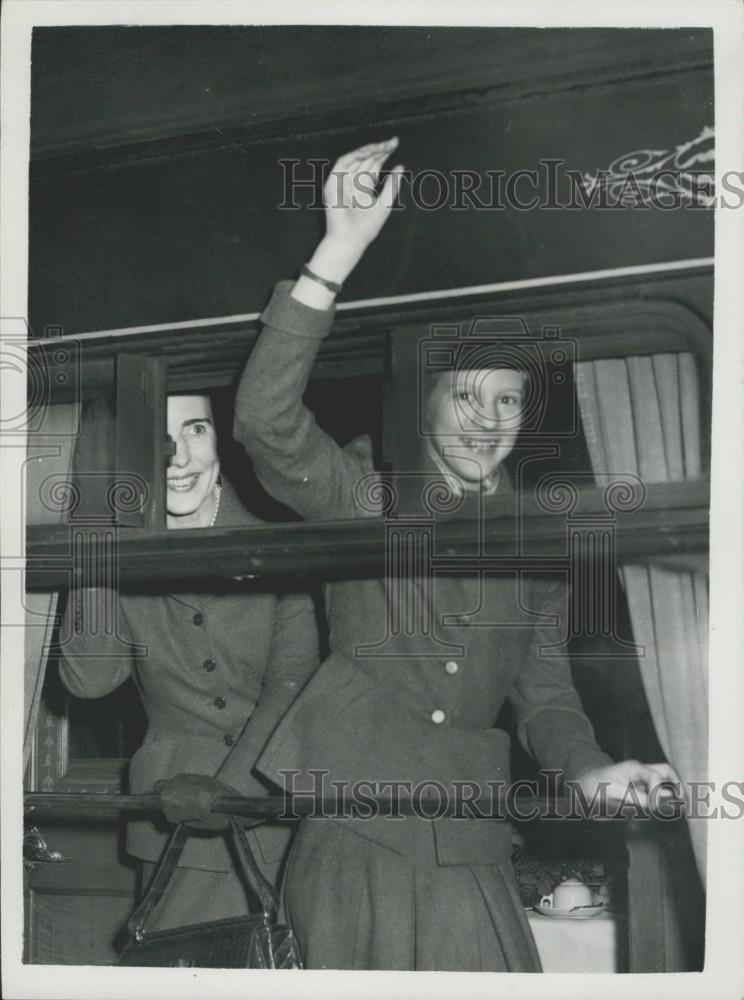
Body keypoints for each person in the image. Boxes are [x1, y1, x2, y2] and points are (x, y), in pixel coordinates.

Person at [176, 139, 680, 970]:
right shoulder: (369, 490)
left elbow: (547, 701)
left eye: (508, 400)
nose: (488, 421)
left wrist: (588, 770)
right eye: (466, 397)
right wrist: (334, 255)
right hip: (352, 831)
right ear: (426, 400)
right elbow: (265, 422)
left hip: (471, 837)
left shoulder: (539, 537)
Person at [58, 393, 319, 932]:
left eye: (196, 430)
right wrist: (93, 526)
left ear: (221, 438)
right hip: (177, 823)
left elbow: (293, 681)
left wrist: (232, 788)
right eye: (159, 437)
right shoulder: (118, 551)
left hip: (281, 808)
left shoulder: (281, 541)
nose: (178, 457)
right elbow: (90, 678)